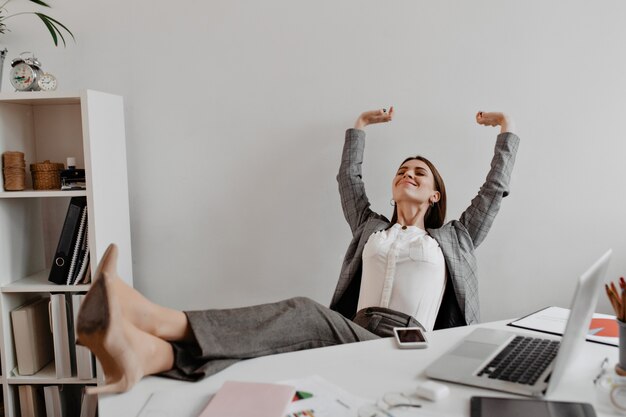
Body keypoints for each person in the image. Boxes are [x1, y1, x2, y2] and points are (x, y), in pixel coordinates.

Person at [76, 109, 519, 394]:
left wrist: (506, 129)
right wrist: (359, 128)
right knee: (283, 341)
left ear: (436, 195)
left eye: (420, 172)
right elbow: (349, 180)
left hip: (412, 345)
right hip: (359, 333)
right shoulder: (370, 229)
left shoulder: (455, 239)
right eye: (403, 169)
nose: (409, 174)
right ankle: (153, 355)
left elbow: (494, 189)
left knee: (305, 314)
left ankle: (150, 318)